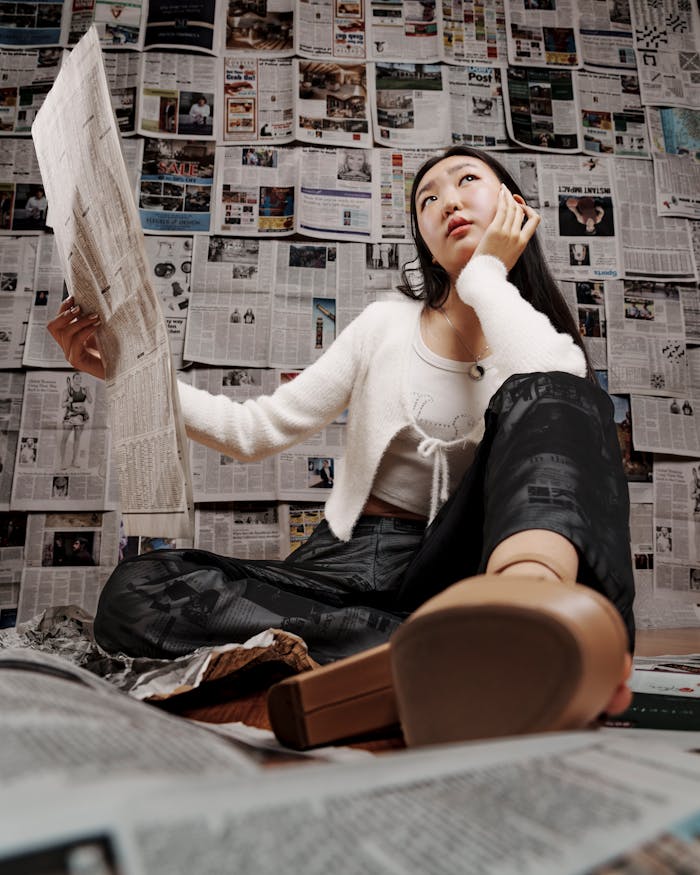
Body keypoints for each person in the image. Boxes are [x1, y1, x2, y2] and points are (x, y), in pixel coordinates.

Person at [48, 146, 634, 720]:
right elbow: (254, 430)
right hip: (348, 565)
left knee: (557, 391)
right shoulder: (387, 325)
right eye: (428, 198)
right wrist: (126, 373)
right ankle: (447, 654)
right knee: (140, 590)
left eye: (466, 181)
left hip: (472, 565)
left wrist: (485, 276)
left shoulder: (538, 343)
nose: (447, 201)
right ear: (424, 242)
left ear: (514, 206)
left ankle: (520, 607)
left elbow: (556, 387)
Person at [59, 372, 92, 469]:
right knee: (64, 439)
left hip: (81, 417)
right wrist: (68, 401)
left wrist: (88, 391)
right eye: (77, 378)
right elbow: (62, 405)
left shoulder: (84, 390)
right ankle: (62, 462)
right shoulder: (67, 391)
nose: (79, 380)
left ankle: (74, 461)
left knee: (77, 439)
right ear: (73, 380)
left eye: (80, 378)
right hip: (69, 416)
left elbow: (90, 401)